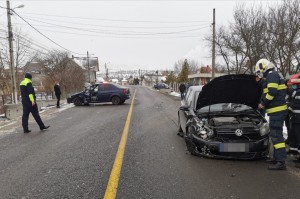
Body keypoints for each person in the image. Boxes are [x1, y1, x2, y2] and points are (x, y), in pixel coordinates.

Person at [255, 59, 288, 170]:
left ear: (263, 67)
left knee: (277, 136)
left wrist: (263, 104)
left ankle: (281, 162)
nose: (260, 73)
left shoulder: (272, 75)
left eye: (259, 71)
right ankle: (276, 158)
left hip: (277, 111)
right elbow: (268, 88)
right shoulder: (273, 75)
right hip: (277, 111)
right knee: (275, 135)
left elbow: (272, 92)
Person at [286, 74, 300, 168]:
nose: (292, 85)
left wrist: (288, 108)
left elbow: (296, 105)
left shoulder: (298, 92)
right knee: (295, 135)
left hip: (298, 118)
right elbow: (293, 102)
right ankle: (294, 151)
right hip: (295, 118)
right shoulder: (296, 91)